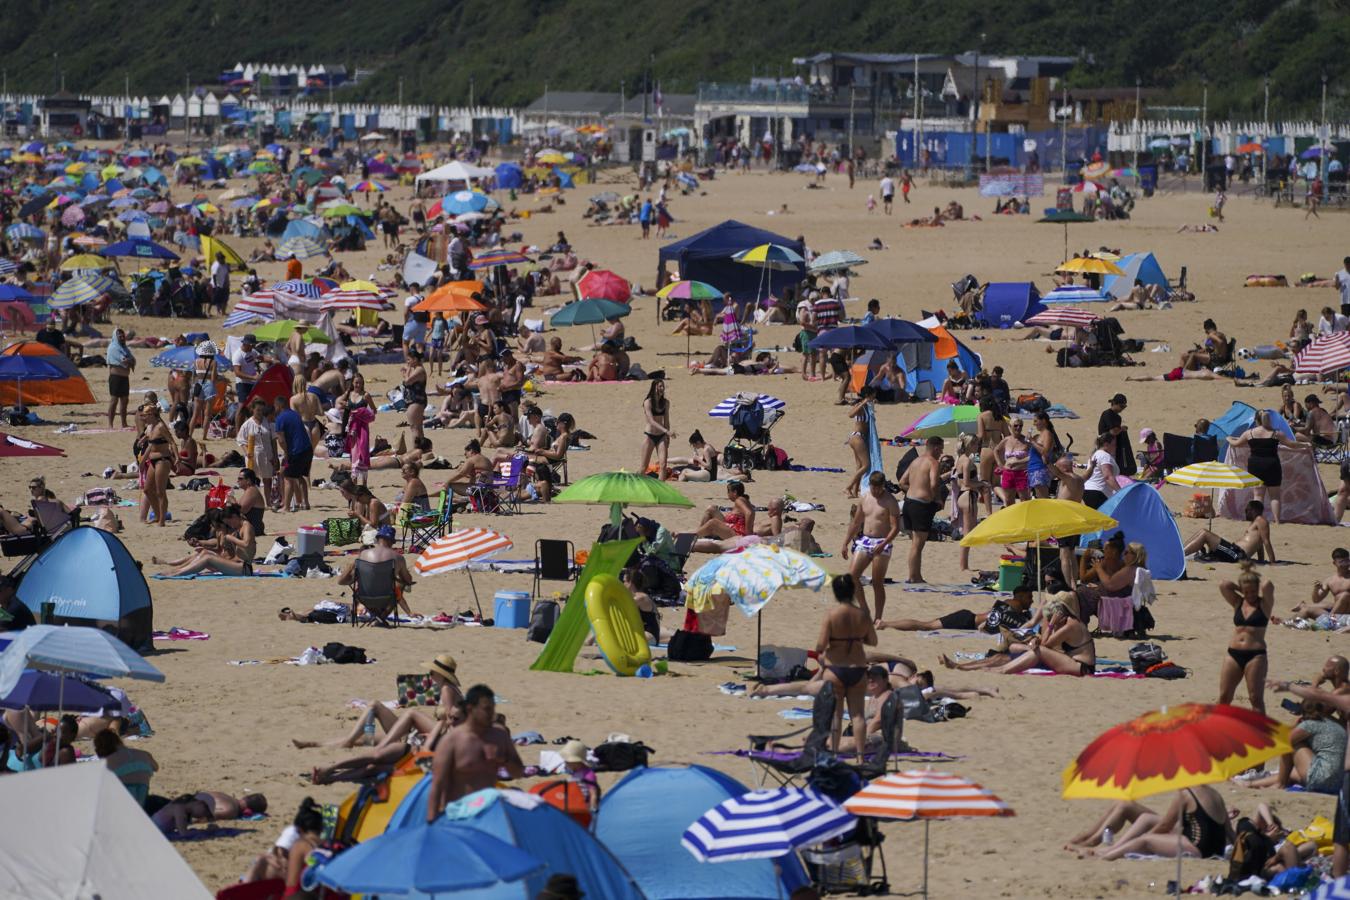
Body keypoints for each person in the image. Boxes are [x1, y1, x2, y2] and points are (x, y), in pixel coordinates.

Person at [1267, 678, 1350, 877]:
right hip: (1336, 776)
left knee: (1342, 838)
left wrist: (1288, 685)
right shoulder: (1339, 723)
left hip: (1345, 777)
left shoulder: (1332, 714)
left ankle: (1338, 882)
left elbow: (1320, 695)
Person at [293, 653, 462, 749]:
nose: (430, 674)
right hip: (425, 734)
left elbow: (449, 723)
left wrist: (425, 735)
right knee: (366, 739)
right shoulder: (447, 688)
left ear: (442, 674)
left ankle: (340, 742)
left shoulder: (447, 690)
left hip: (433, 738)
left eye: (433, 672)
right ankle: (314, 744)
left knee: (374, 707)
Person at [425, 684, 524, 821]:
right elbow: (437, 784)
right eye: (486, 709)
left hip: (488, 810)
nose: (491, 714)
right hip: (459, 811)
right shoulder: (452, 741)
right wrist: (431, 820)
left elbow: (518, 773)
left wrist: (504, 759)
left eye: (492, 708)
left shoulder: (500, 736)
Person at [1068, 784, 1231, 861]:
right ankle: (1105, 846)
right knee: (1146, 819)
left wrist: (1142, 840)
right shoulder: (1215, 794)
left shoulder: (1186, 794)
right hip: (1212, 846)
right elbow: (1229, 832)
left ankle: (1104, 855)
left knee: (1144, 840)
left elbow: (1165, 826)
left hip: (1198, 848)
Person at [815, 574, 877, 761]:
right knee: (857, 716)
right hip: (857, 668)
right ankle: (860, 757)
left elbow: (820, 645)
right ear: (853, 592)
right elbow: (873, 641)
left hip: (835, 668)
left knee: (836, 715)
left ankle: (833, 754)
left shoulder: (832, 615)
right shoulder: (863, 616)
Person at [1241, 700, 1345, 792]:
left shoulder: (1310, 724)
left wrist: (1297, 725)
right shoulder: (1336, 725)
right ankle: (1249, 784)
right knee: (1291, 773)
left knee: (1290, 744)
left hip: (1321, 778)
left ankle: (1280, 784)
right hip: (1338, 784)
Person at [1229, 410, 1309, 523]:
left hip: (1255, 465)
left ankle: (1258, 519)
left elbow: (1236, 444)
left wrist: (1229, 438)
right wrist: (1305, 445)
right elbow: (1292, 444)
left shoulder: (1249, 433)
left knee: (1258, 495)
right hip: (1272, 464)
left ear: (1256, 420)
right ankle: (1277, 521)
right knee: (1275, 496)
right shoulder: (1276, 433)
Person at [842, 472, 901, 623]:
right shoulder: (866, 498)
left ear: (882, 486)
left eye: (878, 489)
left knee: (877, 581)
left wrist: (884, 544)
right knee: (852, 576)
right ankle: (864, 609)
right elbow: (856, 523)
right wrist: (845, 542)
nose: (876, 492)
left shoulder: (890, 501)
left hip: (883, 540)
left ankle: (878, 617)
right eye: (873, 488)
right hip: (865, 540)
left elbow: (895, 528)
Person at [1217, 562, 1273, 714]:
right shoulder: (1238, 602)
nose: (1250, 595)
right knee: (1224, 697)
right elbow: (1223, 584)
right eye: (1246, 592)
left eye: (1253, 591)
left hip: (1255, 656)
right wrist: (1241, 585)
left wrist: (1253, 578)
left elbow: (1268, 585)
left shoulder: (1265, 605)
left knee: (1255, 699)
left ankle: (1260, 734)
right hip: (1233, 654)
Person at [880, 584, 1034, 633]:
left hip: (968, 618)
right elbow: (992, 622)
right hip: (967, 620)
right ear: (1019, 596)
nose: (1032, 601)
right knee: (926, 626)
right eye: (1029, 597)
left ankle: (886, 624)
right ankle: (886, 624)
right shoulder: (1013, 604)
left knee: (926, 625)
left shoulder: (1014, 607)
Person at [153, 504, 256, 576]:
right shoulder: (238, 527)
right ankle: (178, 570)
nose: (230, 525)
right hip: (235, 564)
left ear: (234, 517)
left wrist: (231, 538)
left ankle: (177, 573)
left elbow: (246, 544)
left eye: (229, 523)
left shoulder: (246, 526)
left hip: (243, 568)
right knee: (205, 553)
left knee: (208, 558)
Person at [339, 524, 416, 618]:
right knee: (400, 585)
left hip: (363, 597)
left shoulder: (363, 554)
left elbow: (341, 582)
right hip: (386, 599)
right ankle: (381, 617)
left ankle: (371, 613)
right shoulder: (398, 558)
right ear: (391, 541)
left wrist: (350, 567)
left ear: (378, 538)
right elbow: (408, 581)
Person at [899, 437, 943, 584]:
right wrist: (936, 498)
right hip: (921, 505)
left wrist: (913, 489)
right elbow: (934, 483)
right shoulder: (933, 463)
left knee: (915, 543)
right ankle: (913, 576)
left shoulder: (915, 461)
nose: (941, 452)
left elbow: (902, 482)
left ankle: (915, 575)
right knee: (918, 544)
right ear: (936, 448)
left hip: (908, 502)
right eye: (941, 449)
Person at [1184, 499, 1275, 563]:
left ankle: (1180, 554)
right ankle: (1180, 550)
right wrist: (1261, 561)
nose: (1245, 512)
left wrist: (1272, 562)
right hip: (1234, 551)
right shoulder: (1256, 523)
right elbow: (1260, 543)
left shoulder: (1261, 520)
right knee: (1202, 531)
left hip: (1237, 555)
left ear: (1254, 510)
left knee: (1205, 533)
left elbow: (1266, 542)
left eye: (1247, 510)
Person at [94, 729, 158, 807]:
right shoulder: (145, 754)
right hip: (142, 803)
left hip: (121, 805)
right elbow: (156, 767)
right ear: (118, 741)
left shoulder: (107, 763)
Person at [138, 403, 175, 526]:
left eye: (144, 415)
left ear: (151, 415)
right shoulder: (149, 427)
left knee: (160, 491)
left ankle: (162, 520)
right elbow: (151, 444)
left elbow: (172, 443)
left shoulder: (161, 426)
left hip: (162, 460)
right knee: (148, 490)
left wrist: (178, 458)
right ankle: (158, 515)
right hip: (152, 460)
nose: (143, 418)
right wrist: (142, 461)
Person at [1291, 549, 1350, 620]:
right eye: (1342, 562)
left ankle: (1329, 620)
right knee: (1307, 610)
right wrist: (1316, 589)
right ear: (1334, 563)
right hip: (1336, 616)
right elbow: (1316, 600)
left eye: (1347, 561)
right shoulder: (1330, 581)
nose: (1345, 564)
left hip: (1346, 617)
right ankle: (1287, 622)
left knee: (1344, 596)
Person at [275, 402, 312, 512]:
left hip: (295, 452)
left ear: (279, 406)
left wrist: (286, 453)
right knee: (299, 476)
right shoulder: (295, 414)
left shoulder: (280, 418)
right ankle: (305, 503)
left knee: (288, 478)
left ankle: (286, 506)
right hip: (307, 449)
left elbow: (281, 440)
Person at [694, 481, 756, 547]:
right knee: (712, 509)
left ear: (734, 492)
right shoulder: (743, 500)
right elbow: (751, 510)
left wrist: (748, 534)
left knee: (713, 522)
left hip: (737, 533)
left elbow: (749, 513)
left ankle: (693, 536)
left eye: (728, 491)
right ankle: (699, 532)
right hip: (732, 527)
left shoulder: (739, 500)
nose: (728, 493)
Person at [975, 397, 1008, 514]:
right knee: (996, 483)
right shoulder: (1000, 417)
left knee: (985, 483)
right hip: (999, 451)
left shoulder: (982, 416)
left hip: (987, 449)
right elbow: (1007, 435)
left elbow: (981, 435)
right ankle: (1005, 501)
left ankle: (989, 512)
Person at [638, 377, 673, 479]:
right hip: (650, 436)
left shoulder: (665, 403)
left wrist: (667, 437)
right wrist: (666, 431)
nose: (662, 388)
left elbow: (666, 420)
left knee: (663, 465)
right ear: (654, 388)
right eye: (660, 386)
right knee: (643, 467)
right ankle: (635, 485)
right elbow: (651, 421)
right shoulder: (647, 402)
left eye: (663, 386)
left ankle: (660, 489)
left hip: (661, 437)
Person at [994, 417, 1032, 505]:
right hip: (1007, 473)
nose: (1018, 428)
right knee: (1008, 500)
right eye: (1015, 426)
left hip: (1021, 473)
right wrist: (1000, 464)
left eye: (1020, 426)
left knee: (1024, 500)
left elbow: (1032, 456)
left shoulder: (1026, 441)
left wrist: (1018, 462)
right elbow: (996, 450)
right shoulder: (1006, 440)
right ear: (1010, 426)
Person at [844, 388, 874, 498]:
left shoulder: (867, 407)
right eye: (873, 396)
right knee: (866, 465)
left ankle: (855, 491)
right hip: (857, 437)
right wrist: (864, 402)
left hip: (858, 438)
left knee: (859, 466)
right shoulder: (861, 405)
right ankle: (848, 487)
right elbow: (850, 414)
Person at [106, 327, 135, 429]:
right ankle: (110, 424)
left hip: (124, 378)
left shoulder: (125, 348)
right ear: (116, 337)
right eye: (120, 336)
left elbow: (132, 360)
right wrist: (129, 361)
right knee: (114, 401)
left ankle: (124, 423)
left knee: (124, 401)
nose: (122, 338)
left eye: (123, 336)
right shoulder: (113, 348)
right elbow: (124, 361)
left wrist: (130, 361)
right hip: (115, 378)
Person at [1081, 433, 1119, 509]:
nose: (1116, 447)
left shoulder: (1096, 454)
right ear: (1106, 444)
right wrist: (1120, 491)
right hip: (1098, 492)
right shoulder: (1104, 456)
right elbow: (1107, 476)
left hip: (1088, 491)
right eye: (1114, 444)